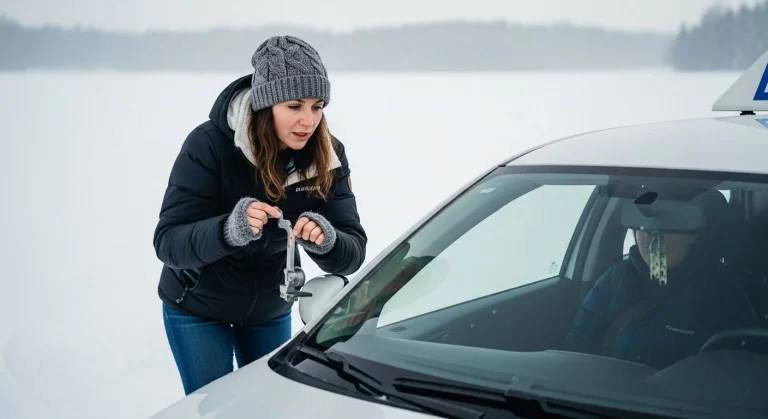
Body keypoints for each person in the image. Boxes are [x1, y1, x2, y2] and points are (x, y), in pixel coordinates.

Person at [153, 35, 367, 395]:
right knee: (214, 410)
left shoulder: (327, 156)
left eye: (317, 106)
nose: (308, 120)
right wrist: (229, 229)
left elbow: (353, 252)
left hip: (270, 308)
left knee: (270, 407)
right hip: (199, 308)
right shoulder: (208, 146)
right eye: (295, 106)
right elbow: (168, 242)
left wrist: (326, 240)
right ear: (267, 105)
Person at [564, 190, 758, 369]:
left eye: (667, 222)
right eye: (643, 222)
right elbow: (575, 354)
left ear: (693, 234)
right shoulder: (614, 281)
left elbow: (737, 374)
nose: (651, 234)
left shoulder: (723, 294)